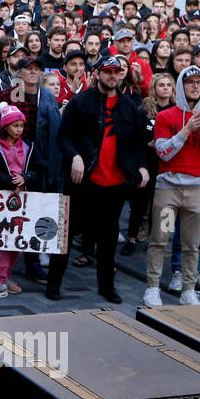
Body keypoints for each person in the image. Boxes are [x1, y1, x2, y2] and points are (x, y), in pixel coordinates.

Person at [48, 55, 150, 303]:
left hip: (115, 184)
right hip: (83, 182)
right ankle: (53, 285)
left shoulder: (129, 106)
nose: (113, 76)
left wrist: (143, 167)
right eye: (107, 71)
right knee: (67, 235)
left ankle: (106, 287)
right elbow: (63, 137)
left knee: (108, 239)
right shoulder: (81, 102)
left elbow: (139, 144)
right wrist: (74, 156)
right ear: (97, 74)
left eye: (117, 71)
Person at [144, 66, 200, 307]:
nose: (194, 86)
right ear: (182, 85)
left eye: (199, 82)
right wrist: (186, 130)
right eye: (189, 81)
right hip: (168, 189)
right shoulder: (165, 116)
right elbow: (163, 152)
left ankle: (188, 289)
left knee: (192, 244)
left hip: (198, 190)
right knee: (160, 238)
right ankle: (152, 287)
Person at [0, 103, 46, 300]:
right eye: (15, 125)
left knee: (17, 240)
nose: (19, 130)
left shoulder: (29, 146)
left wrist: (26, 177)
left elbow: (39, 169)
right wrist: (9, 181)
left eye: (21, 126)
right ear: (6, 126)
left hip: (24, 199)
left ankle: (6, 276)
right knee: (3, 241)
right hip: (1, 199)